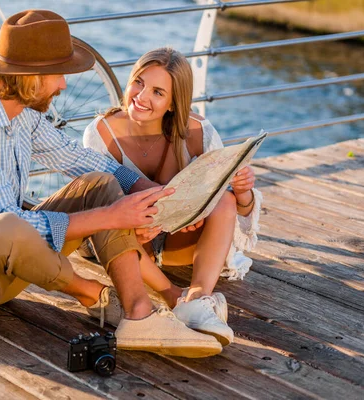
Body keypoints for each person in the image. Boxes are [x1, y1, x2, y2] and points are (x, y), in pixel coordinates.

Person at [0, 11, 223, 357]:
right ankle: (90, 293)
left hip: (2, 268)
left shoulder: (20, 114)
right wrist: (112, 217)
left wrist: (147, 189)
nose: (64, 85)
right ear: (31, 77)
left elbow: (76, 157)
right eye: (58, 74)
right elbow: (7, 226)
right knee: (7, 225)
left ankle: (139, 315)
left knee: (99, 183)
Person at [83, 47, 263, 346]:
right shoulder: (100, 133)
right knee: (109, 208)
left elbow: (236, 210)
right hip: (132, 246)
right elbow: (94, 203)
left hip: (183, 243)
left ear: (172, 102)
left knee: (225, 199)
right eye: (138, 82)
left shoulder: (197, 130)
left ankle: (197, 297)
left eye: (157, 92)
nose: (141, 97)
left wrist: (243, 194)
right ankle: (169, 293)